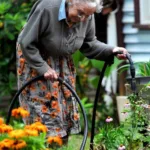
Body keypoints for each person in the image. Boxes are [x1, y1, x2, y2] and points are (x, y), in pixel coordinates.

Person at [16, 0, 128, 147]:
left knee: (63, 115)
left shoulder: (87, 14)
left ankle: (60, 147)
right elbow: (26, 42)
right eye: (80, 13)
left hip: (62, 63)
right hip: (36, 60)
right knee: (43, 115)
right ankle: (40, 146)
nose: (82, 19)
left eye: (87, 15)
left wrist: (111, 50)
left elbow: (89, 44)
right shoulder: (47, 7)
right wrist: (43, 68)